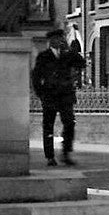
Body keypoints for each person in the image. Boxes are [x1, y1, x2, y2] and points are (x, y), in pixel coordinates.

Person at [32, 28, 80, 167]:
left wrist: (70, 50)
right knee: (48, 126)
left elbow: (81, 62)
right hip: (50, 96)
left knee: (69, 123)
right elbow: (36, 76)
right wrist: (41, 94)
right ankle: (50, 157)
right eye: (57, 38)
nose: (60, 41)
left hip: (65, 96)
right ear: (51, 41)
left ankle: (66, 153)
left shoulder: (67, 55)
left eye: (61, 38)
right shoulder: (44, 56)